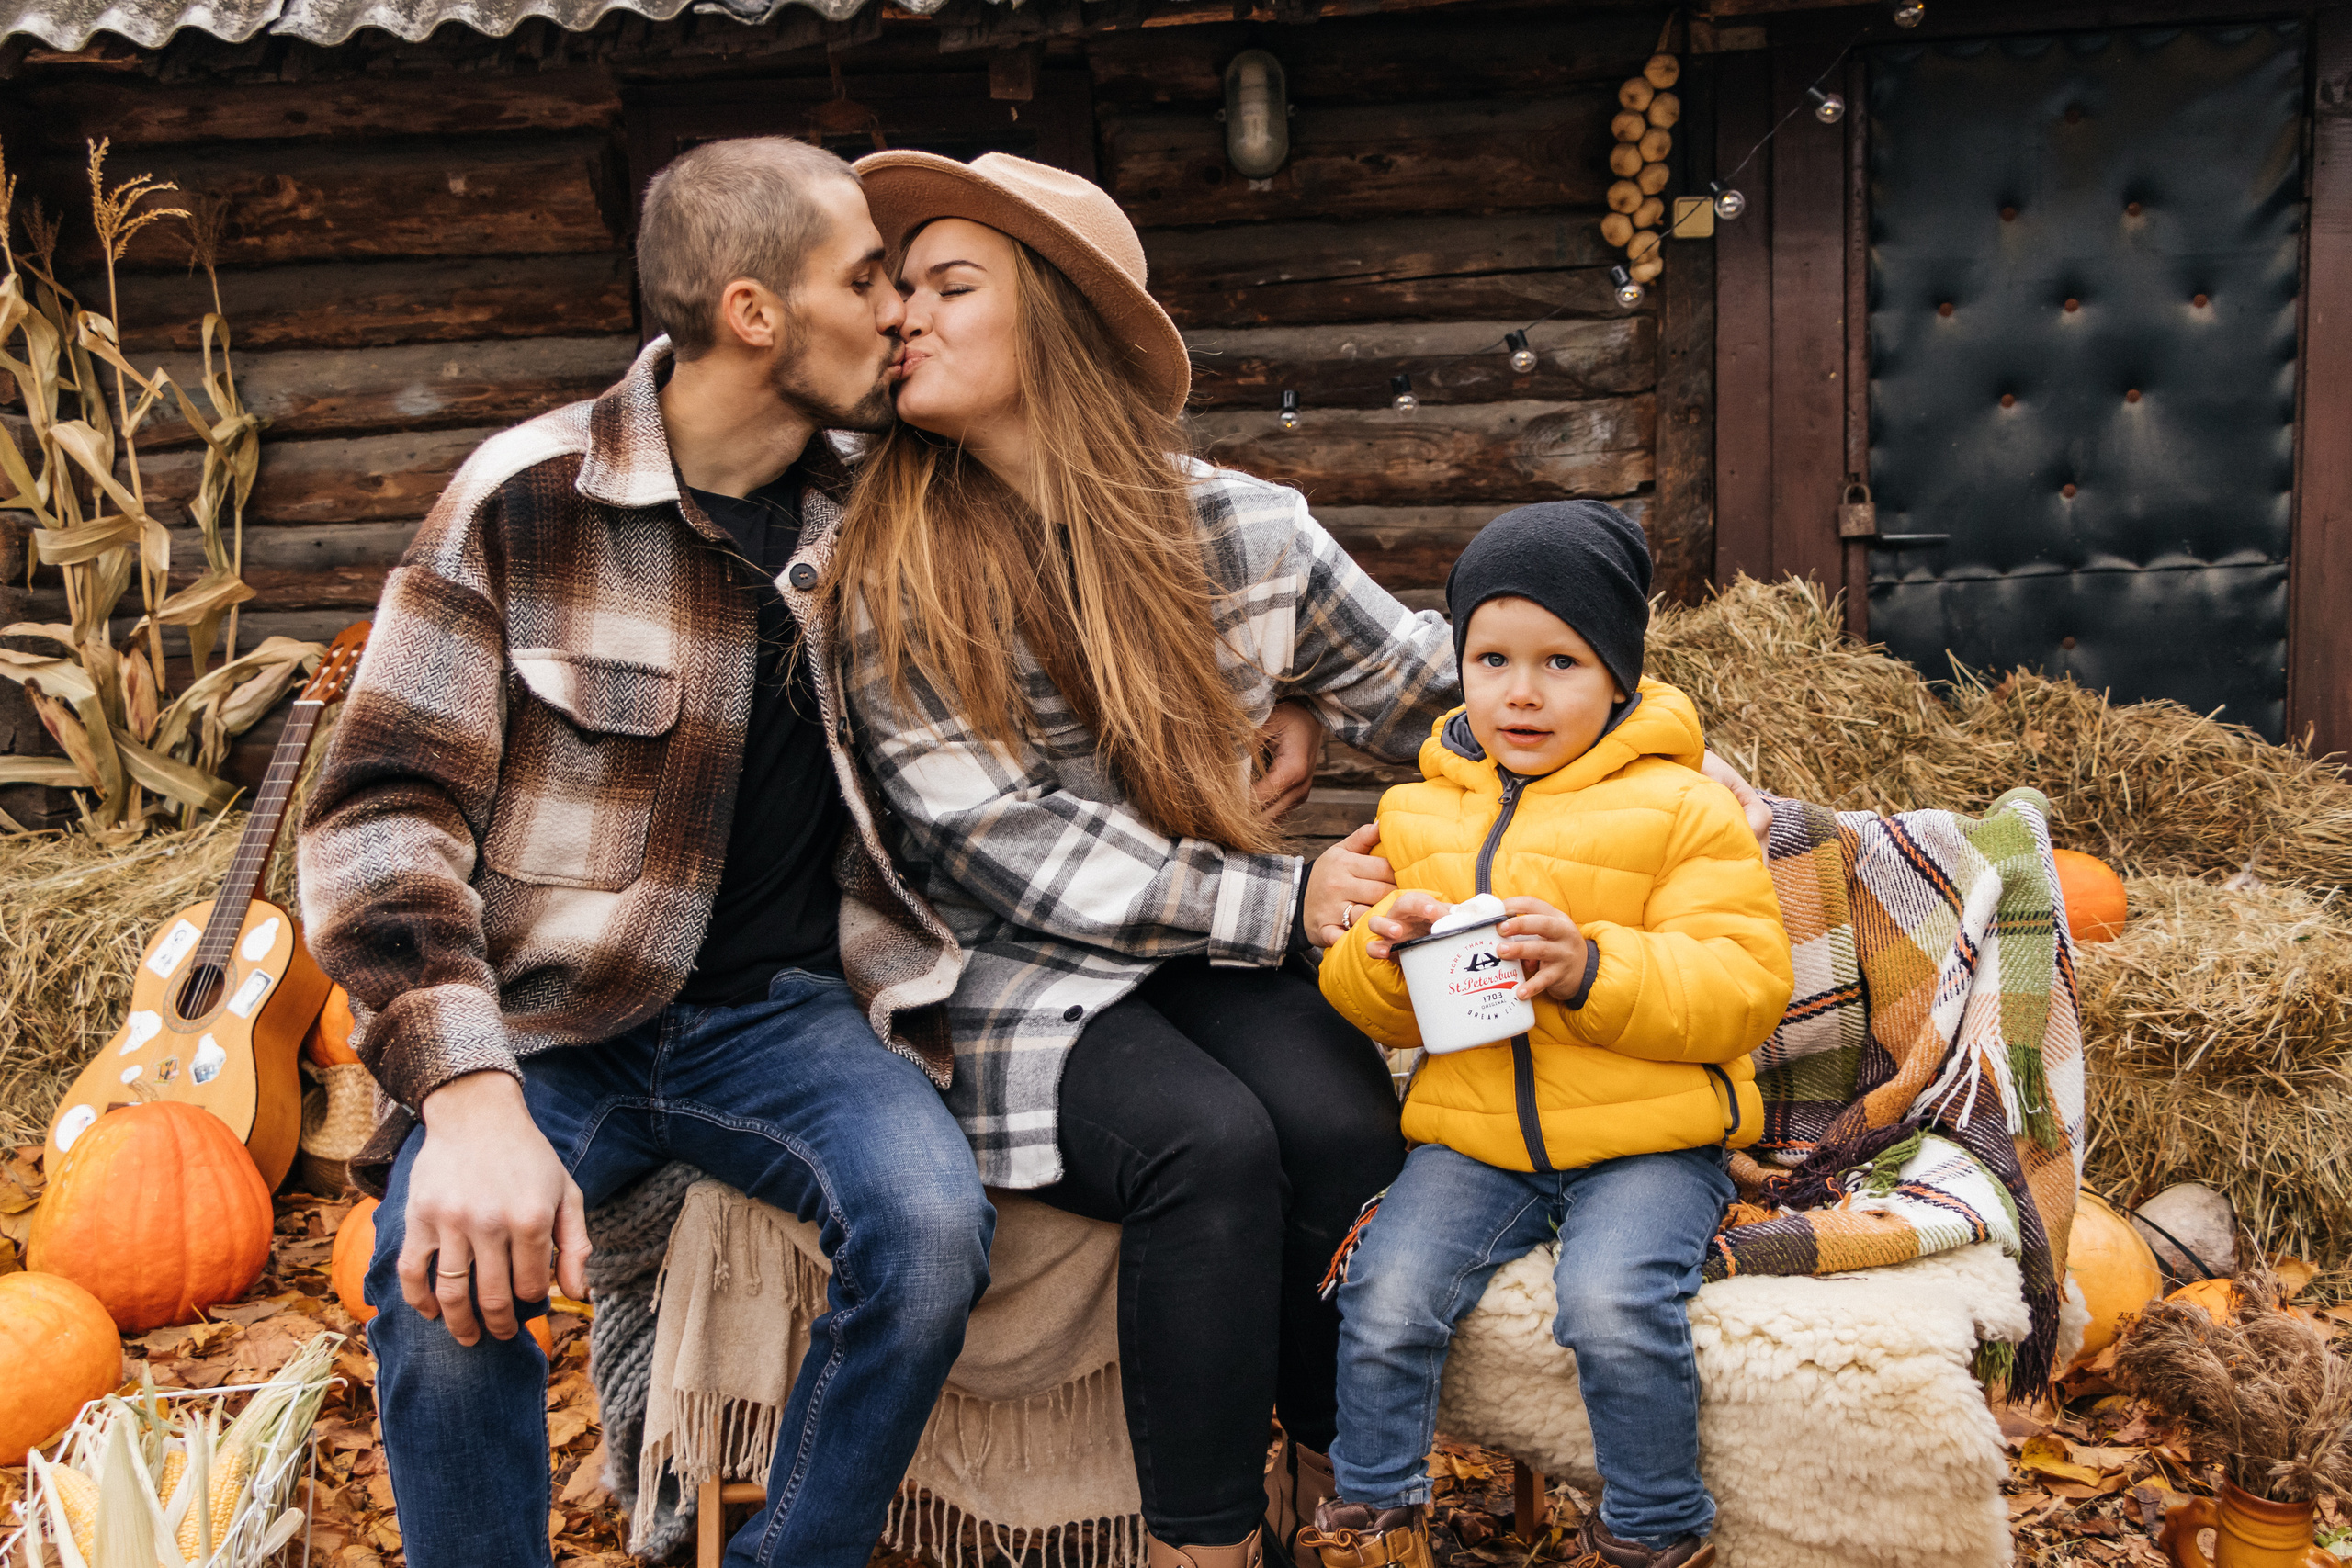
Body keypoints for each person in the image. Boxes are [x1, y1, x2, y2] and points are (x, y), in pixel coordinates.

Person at [298, 137, 1045, 1568]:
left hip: (785, 1017)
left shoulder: (889, 500)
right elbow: (379, 816)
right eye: (868, 275)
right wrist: (465, 1097)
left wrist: (1294, 693)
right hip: (550, 1024)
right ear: (758, 314)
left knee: (932, 1227)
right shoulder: (526, 498)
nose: (900, 310)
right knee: (433, 1281)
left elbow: (1141, 504)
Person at [828, 149, 1463, 1568]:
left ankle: (1346, 1495)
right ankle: (1205, 1543)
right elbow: (985, 840)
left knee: (1350, 1118)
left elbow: (1437, 685)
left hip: (1196, 940)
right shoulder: (885, 554)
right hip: (999, 968)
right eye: (899, 290)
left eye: (950, 285)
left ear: (1056, 316)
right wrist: (1291, 896)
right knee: (1207, 1143)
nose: (902, 318)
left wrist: (1660, 758)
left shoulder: (1242, 529)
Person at [1305, 502, 1795, 1568]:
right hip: (1475, 1137)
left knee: (1611, 1302)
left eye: (1560, 661)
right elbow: (1377, 1009)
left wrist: (1591, 967)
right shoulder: (1420, 814)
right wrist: (1374, 956)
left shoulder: (1684, 810)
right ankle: (1373, 1522)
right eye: (1492, 658)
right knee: (1385, 1292)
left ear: (1617, 675)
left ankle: (1657, 1530)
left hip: (1647, 1140)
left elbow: (1743, 989)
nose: (1520, 692)